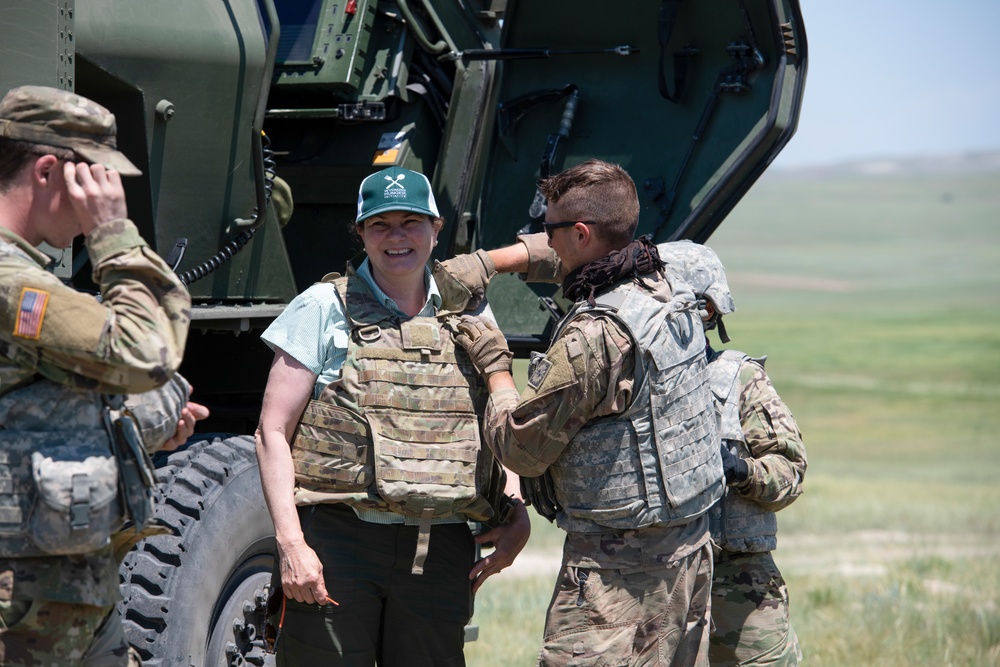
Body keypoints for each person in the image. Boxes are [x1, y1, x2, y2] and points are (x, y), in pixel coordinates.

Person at [444, 159, 724, 666]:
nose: (541, 239)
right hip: (690, 552)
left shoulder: (592, 339)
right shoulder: (675, 271)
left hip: (616, 574)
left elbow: (519, 448)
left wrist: (495, 362)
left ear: (579, 232)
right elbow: (579, 258)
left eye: (548, 229)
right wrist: (494, 261)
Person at [254, 165, 530, 666]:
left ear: (435, 228)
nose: (397, 237)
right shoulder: (322, 307)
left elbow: (497, 417)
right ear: (360, 232)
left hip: (440, 543)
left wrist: (516, 510)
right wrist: (291, 544)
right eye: (380, 224)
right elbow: (271, 431)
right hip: (341, 541)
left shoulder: (470, 312)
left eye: (411, 222)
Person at [0, 85, 204, 665]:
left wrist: (135, 423)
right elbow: (147, 354)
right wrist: (113, 234)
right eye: (97, 178)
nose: (111, 194)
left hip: (68, 596)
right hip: (23, 606)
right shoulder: (10, 282)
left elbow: (34, 403)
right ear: (48, 170)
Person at [658, 240, 805, 667]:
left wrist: (738, 469)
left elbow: (791, 471)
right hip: (656, 583)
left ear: (704, 311)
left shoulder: (738, 379)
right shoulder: (632, 385)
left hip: (738, 589)